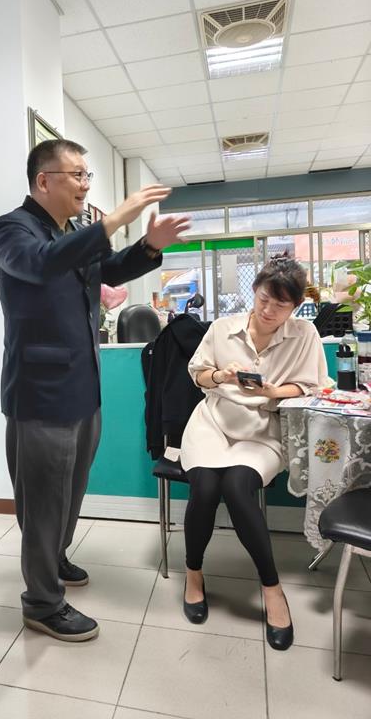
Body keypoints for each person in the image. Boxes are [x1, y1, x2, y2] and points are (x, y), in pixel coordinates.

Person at [0, 138, 190, 642]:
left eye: (86, 175)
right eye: (76, 174)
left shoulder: (73, 232)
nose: (84, 184)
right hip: (40, 395)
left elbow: (108, 269)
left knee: (70, 490)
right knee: (43, 501)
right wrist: (116, 217)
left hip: (83, 388)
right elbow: (42, 263)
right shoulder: (12, 230)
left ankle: (55, 558)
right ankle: (41, 603)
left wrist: (149, 247)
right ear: (44, 181)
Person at [170, 255, 327, 650]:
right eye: (263, 299)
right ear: (254, 292)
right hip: (213, 422)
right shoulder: (223, 328)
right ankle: (194, 574)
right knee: (205, 487)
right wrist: (220, 375)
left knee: (238, 488)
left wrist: (273, 391)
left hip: (263, 429)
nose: (269, 310)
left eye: (281, 304)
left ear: (296, 305)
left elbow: (311, 385)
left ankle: (272, 589)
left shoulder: (304, 333)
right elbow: (198, 373)